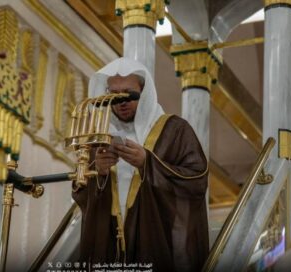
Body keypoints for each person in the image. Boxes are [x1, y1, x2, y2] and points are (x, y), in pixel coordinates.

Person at [72, 57, 209, 272]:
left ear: (143, 93)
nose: (122, 102)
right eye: (114, 95)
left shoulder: (175, 130)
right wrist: (100, 173)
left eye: (129, 93)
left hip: (156, 241)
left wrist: (148, 163)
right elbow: (81, 193)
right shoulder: (100, 138)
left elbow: (196, 181)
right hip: (109, 249)